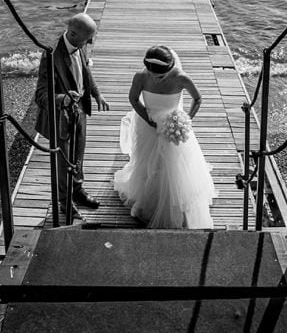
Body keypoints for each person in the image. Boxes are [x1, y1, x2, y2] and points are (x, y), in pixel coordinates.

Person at [113, 45, 217, 229]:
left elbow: (198, 98)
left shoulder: (181, 77)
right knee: (147, 162)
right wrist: (147, 119)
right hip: (148, 126)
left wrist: (186, 119)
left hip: (174, 128)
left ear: (170, 68)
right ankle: (150, 199)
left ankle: (176, 201)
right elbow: (133, 99)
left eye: (161, 76)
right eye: (153, 74)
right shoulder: (141, 77)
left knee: (175, 165)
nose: (156, 79)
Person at [34, 12, 109, 221]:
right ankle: (64, 202)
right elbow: (40, 96)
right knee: (63, 160)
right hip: (61, 118)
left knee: (78, 154)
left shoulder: (80, 45)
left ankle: (78, 190)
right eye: (88, 38)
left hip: (79, 111)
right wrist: (63, 100)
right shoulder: (51, 56)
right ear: (74, 35)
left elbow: (85, 71)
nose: (91, 42)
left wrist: (96, 93)